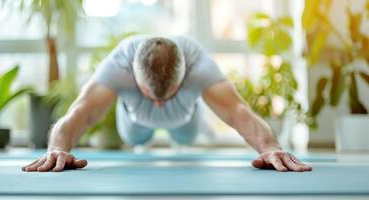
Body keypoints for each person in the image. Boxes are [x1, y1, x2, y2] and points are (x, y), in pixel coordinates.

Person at [22, 36, 312, 173]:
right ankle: (143, 112)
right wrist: (58, 146)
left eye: (166, 95)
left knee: (186, 136)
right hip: (134, 124)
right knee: (136, 137)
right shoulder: (119, 65)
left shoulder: (199, 65)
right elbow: (81, 111)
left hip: (186, 121)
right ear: (133, 75)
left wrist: (270, 146)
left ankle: (186, 115)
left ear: (183, 77)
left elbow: (238, 111)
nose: (159, 105)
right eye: (152, 95)